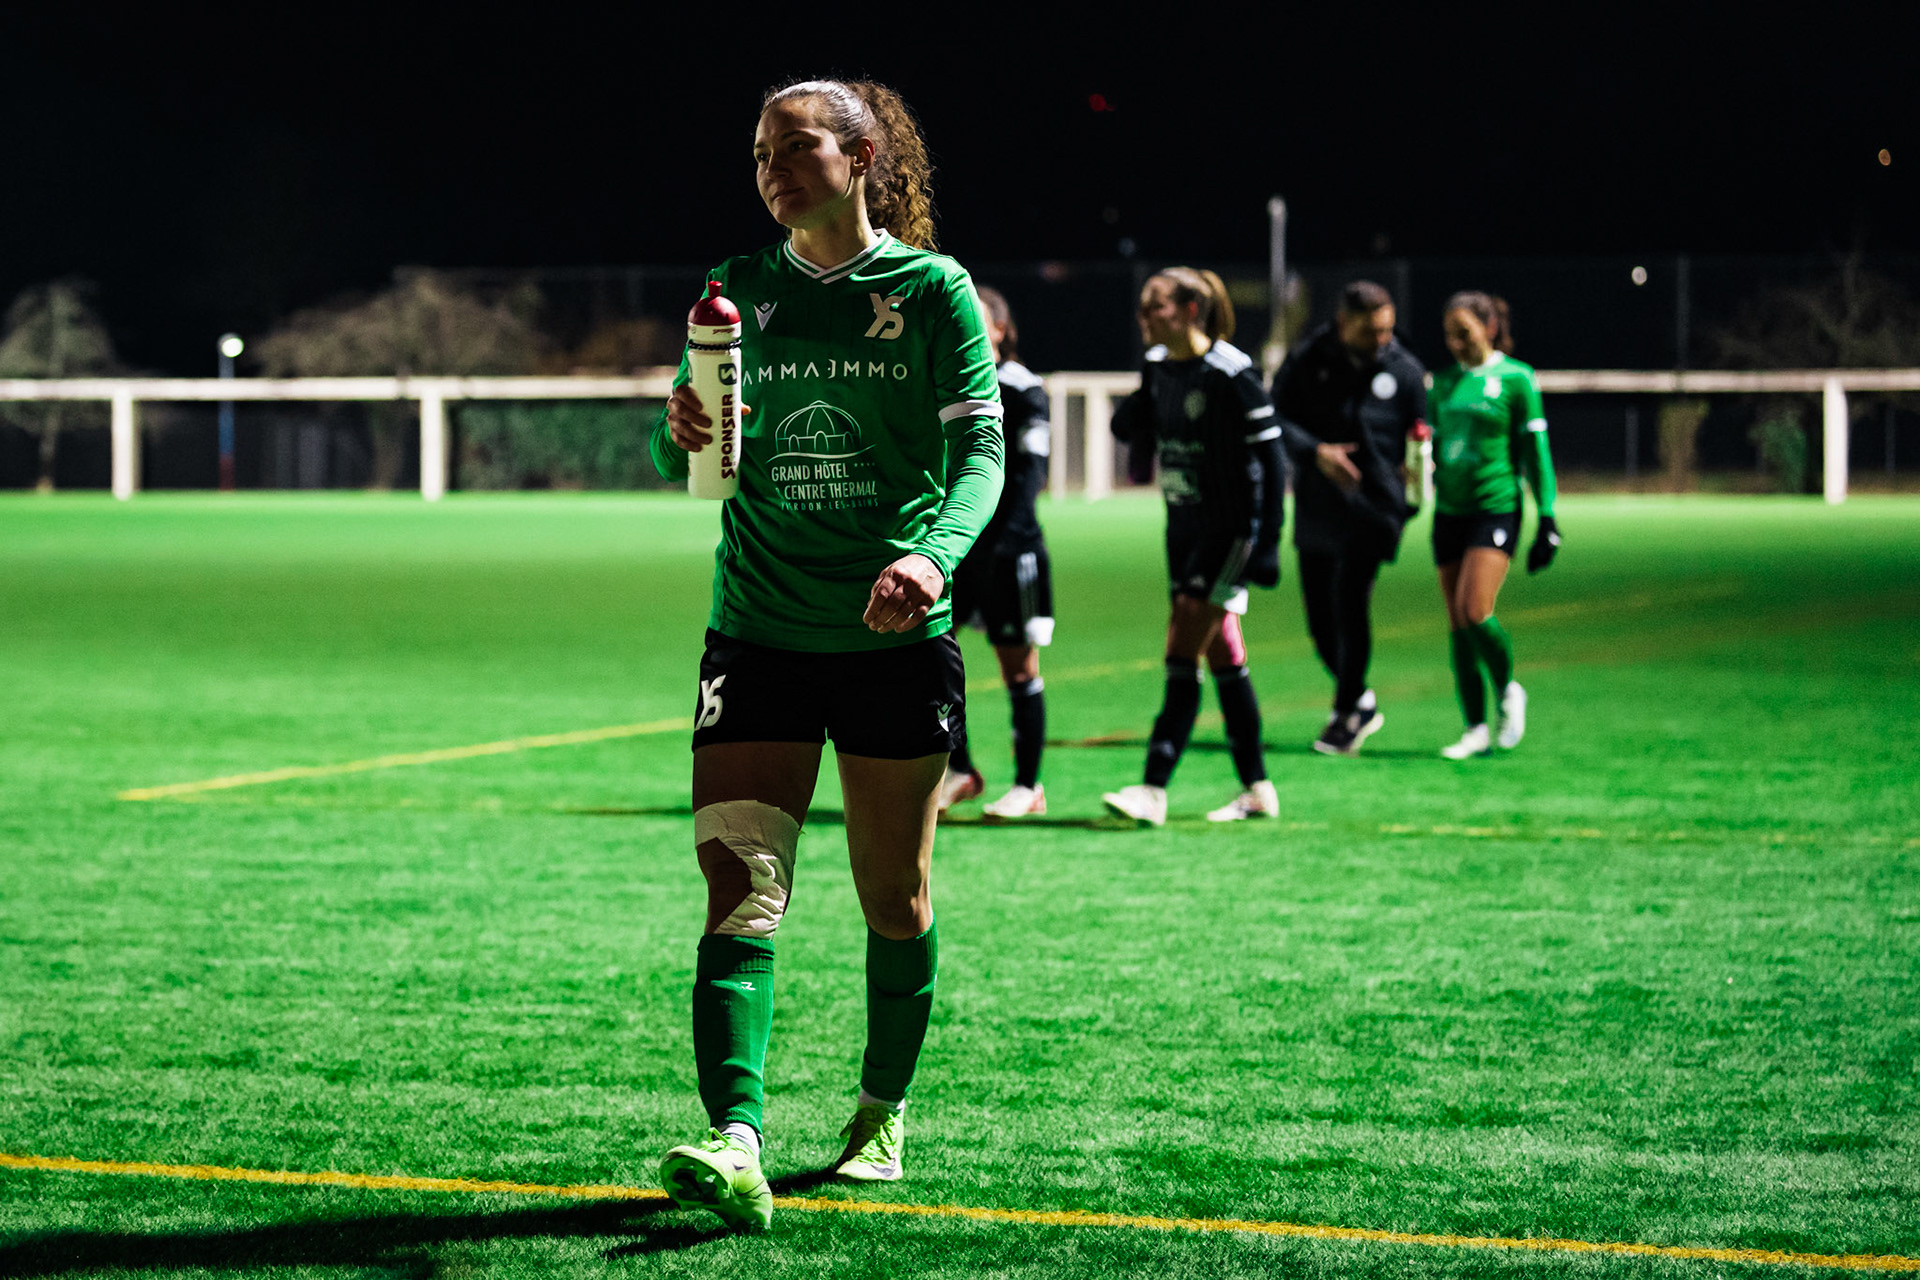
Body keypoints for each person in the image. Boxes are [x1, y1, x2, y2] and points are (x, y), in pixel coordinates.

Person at [647, 77, 1004, 1232]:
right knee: (742, 880)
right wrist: (676, 428)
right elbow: (691, 456)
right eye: (760, 152)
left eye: (796, 147)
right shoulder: (734, 289)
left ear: (862, 157)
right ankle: (736, 1138)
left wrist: (933, 559)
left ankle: (880, 1112)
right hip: (757, 626)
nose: (773, 170)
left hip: (893, 638)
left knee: (894, 895)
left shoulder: (933, 291)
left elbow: (982, 457)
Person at [1102, 267, 1286, 827]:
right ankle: (1257, 787)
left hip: (1228, 530)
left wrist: (1269, 543)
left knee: (1182, 646)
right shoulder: (1159, 366)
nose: (1144, 318)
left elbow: (1273, 460)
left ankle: (1153, 788)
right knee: (1223, 654)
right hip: (1181, 530)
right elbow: (1136, 424)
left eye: (1154, 307)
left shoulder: (1231, 372)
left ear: (1187, 311)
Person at [1271, 281, 1428, 755]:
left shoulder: (1405, 371)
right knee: (1321, 623)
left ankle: (1344, 716)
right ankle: (1359, 698)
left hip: (1375, 509)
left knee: (1350, 604)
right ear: (1342, 323)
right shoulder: (1308, 360)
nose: (1381, 340)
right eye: (1369, 332)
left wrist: (1410, 497)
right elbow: (1273, 417)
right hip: (1320, 504)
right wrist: (1315, 453)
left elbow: (1421, 438)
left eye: (1386, 330)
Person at [938, 286, 1054, 820]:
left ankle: (1029, 786)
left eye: (976, 317)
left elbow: (1030, 474)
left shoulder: (1022, 388)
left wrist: (1007, 541)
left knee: (1018, 668)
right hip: (957, 549)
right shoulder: (946, 381)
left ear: (1000, 331)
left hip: (1010, 551)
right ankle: (960, 771)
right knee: (933, 658)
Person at [1428, 291, 1560, 759]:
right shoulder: (1442, 384)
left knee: (1475, 610)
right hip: (1449, 512)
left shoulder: (1516, 379)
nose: (1456, 343)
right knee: (1457, 623)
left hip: (1495, 507)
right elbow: (1429, 446)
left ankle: (1507, 690)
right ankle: (1474, 727)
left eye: (1464, 333)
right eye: (1449, 335)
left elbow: (1535, 453)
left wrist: (1548, 515)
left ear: (1490, 327)